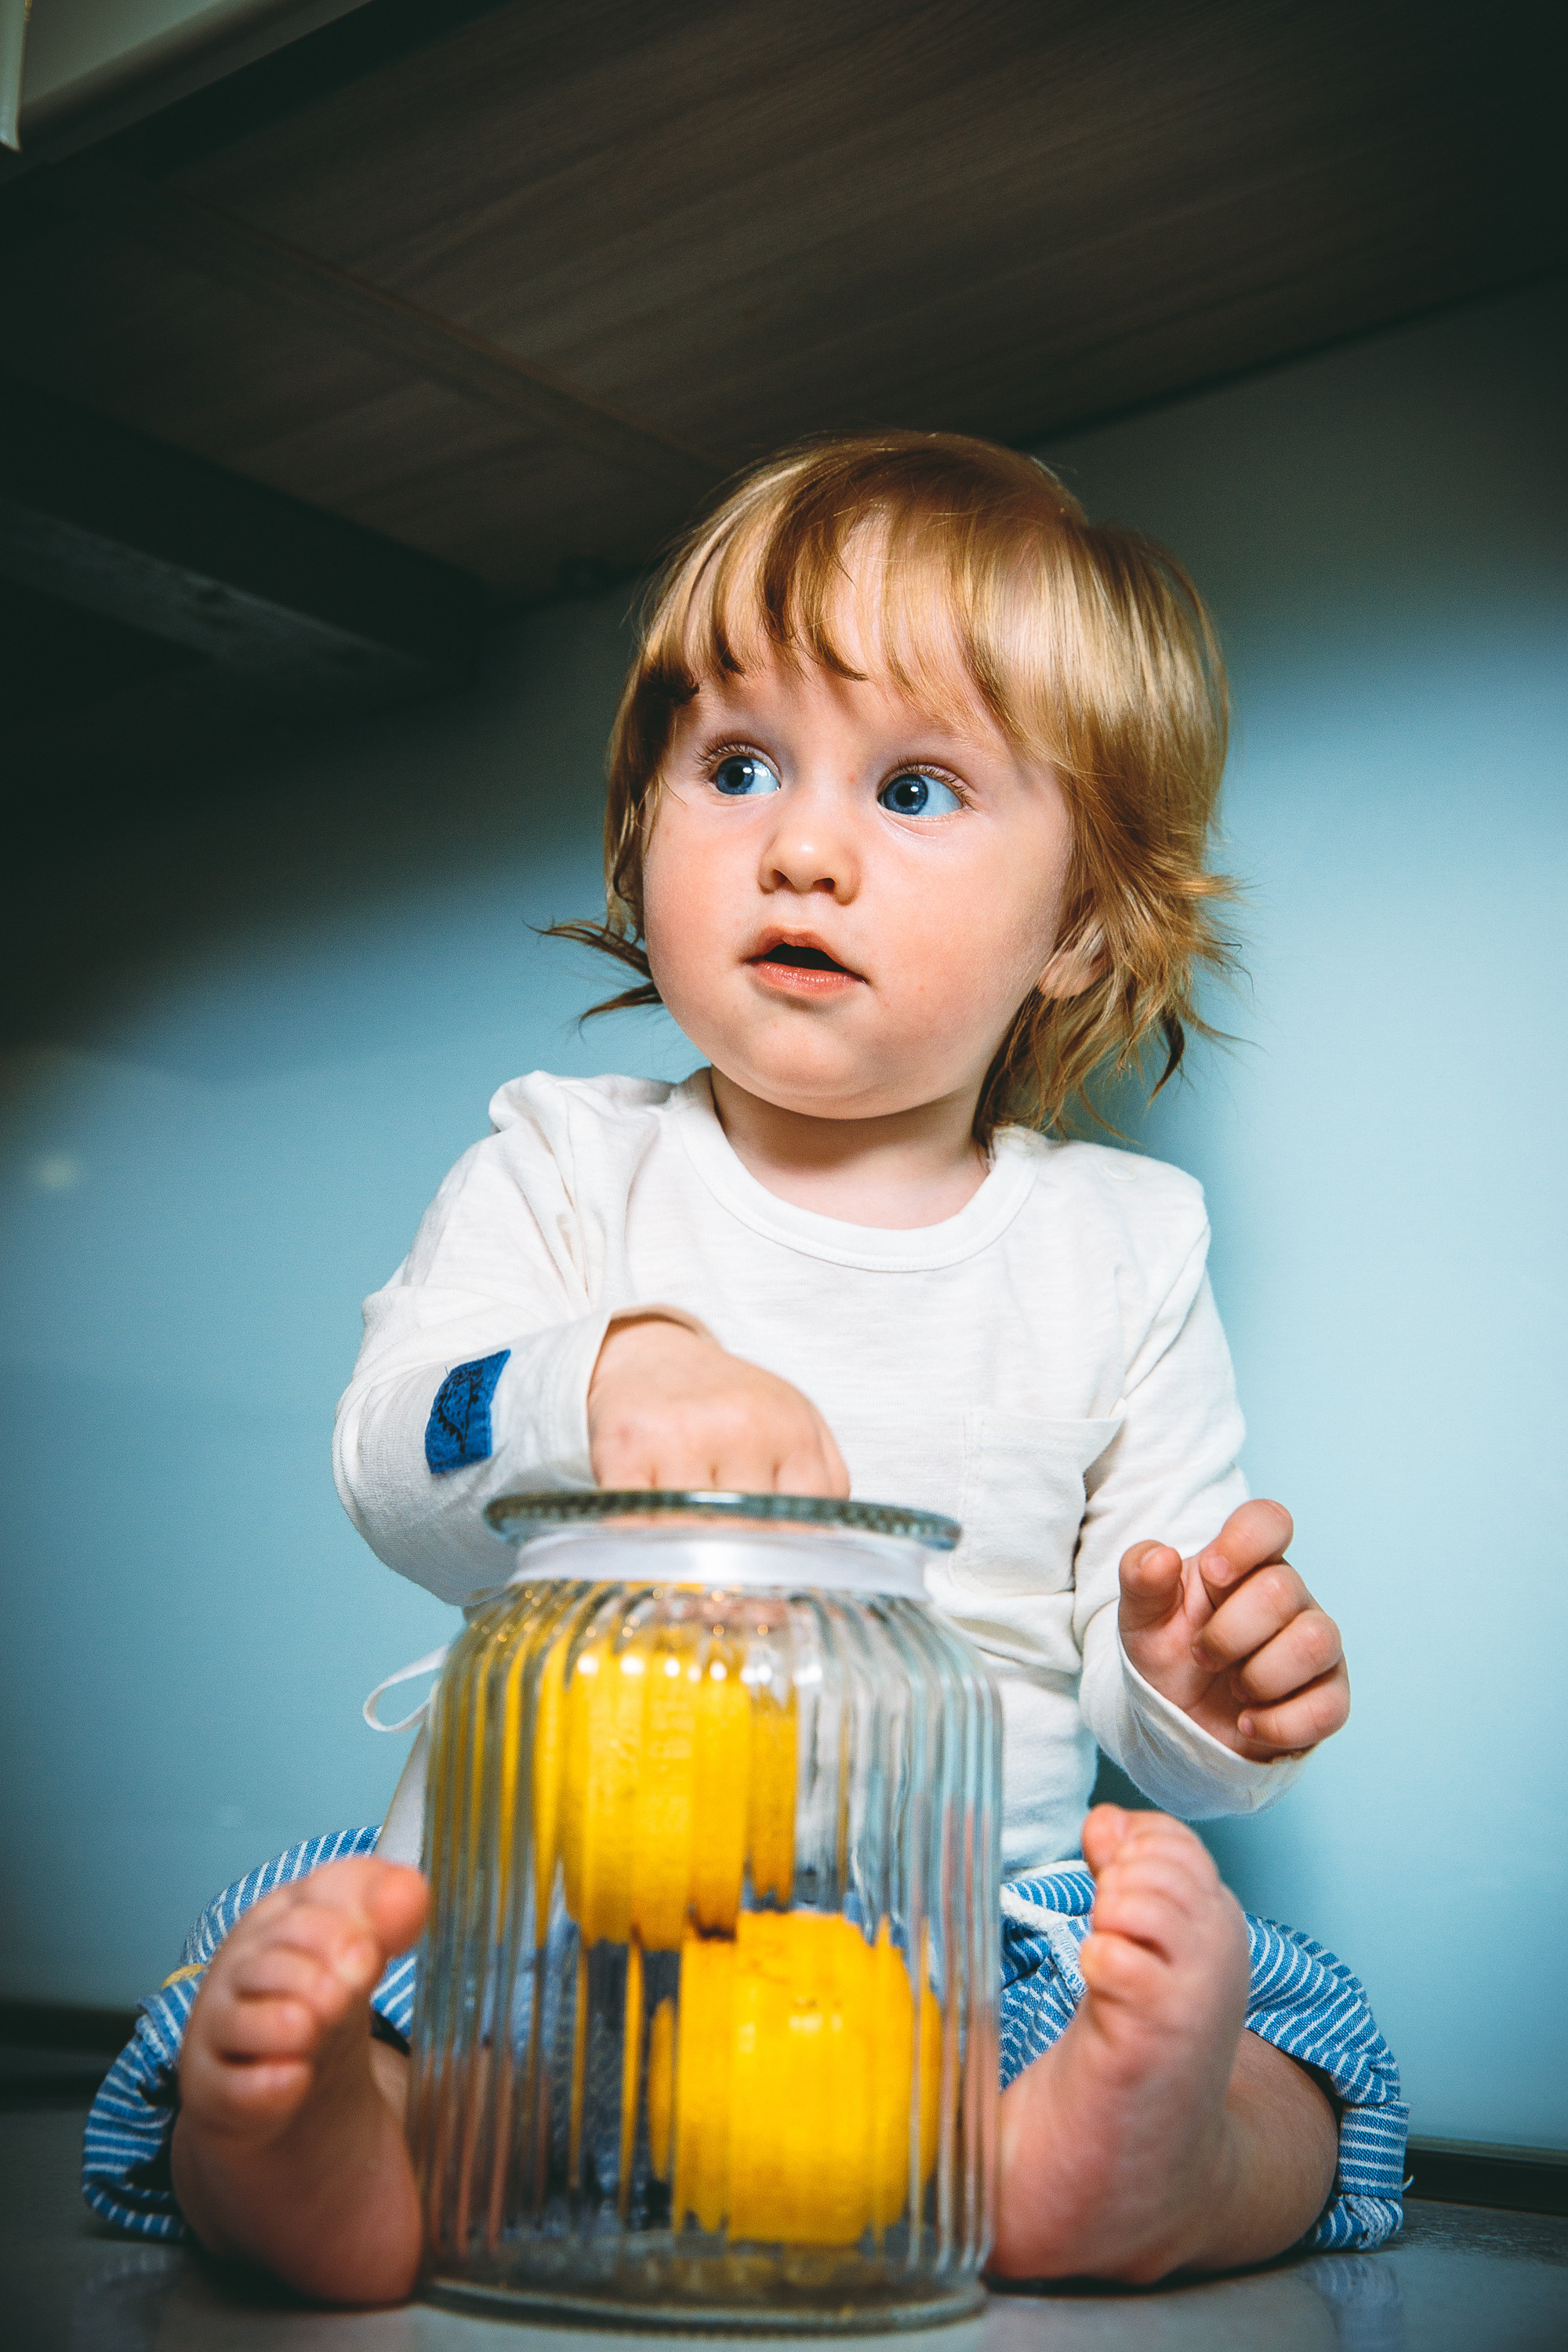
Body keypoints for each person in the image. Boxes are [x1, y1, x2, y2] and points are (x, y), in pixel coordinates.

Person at [84, 434, 1406, 2302]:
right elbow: (398, 1451)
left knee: (1298, 2062)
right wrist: (596, 1379)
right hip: (542, 1932)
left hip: (947, 1970)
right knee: (336, 2000)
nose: (799, 845)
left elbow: (1151, 1695)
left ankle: (1125, 2164)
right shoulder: (565, 1165)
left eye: (917, 787)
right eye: (736, 767)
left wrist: (1201, 1691)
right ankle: (340, 2155)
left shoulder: (1119, 1246)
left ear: (1080, 926)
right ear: (644, 828)